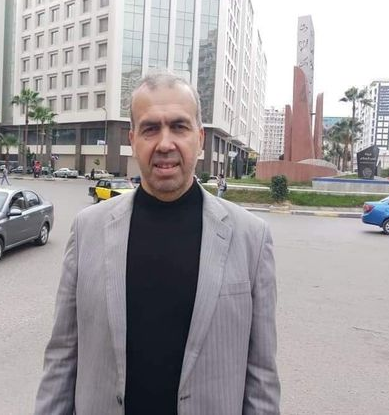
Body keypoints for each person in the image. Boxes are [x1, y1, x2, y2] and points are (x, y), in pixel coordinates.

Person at [35, 71, 280, 414]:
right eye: (151, 129)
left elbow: (262, 377)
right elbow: (62, 356)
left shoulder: (251, 237)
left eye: (179, 127)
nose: (165, 144)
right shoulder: (88, 229)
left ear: (200, 137)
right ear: (133, 139)